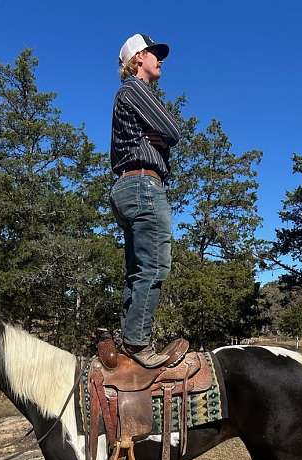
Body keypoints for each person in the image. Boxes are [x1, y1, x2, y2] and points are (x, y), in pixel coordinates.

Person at [109, 33, 182, 368]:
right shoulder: (135, 90)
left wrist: (157, 138)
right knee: (153, 266)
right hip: (143, 185)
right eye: (154, 54)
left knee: (137, 270)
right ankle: (138, 342)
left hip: (129, 186)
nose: (160, 59)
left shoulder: (131, 95)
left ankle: (128, 338)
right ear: (138, 58)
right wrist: (159, 139)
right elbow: (173, 131)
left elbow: (164, 136)